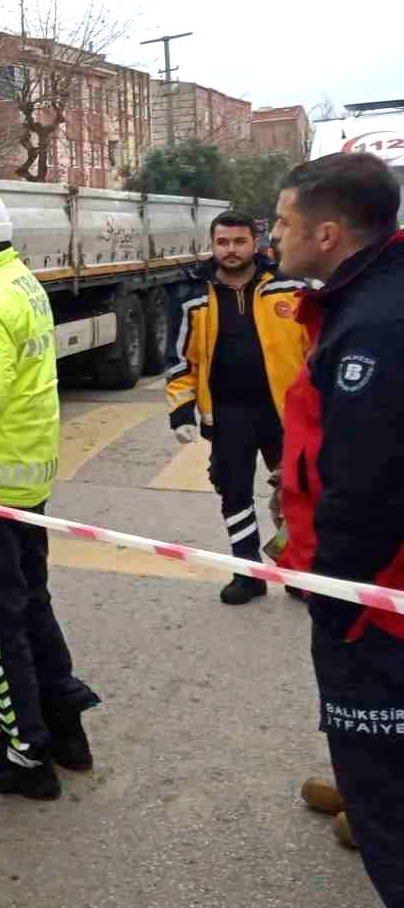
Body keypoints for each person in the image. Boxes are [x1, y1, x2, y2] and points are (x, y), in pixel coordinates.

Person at [0, 185, 100, 800]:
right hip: (28, 479)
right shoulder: (21, 283)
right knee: (32, 605)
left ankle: (25, 757)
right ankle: (65, 730)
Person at [269, 151, 404, 907]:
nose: (271, 237)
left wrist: (338, 600)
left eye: (282, 224)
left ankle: (371, 789)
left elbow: (368, 487)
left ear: (326, 234)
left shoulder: (378, 325)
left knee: (386, 793)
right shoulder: (368, 296)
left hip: (376, 598)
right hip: (375, 588)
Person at [166, 211, 306, 603]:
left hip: (286, 415)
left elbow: (316, 350)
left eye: (238, 241)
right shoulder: (193, 296)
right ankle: (248, 573)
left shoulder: (290, 288)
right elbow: (180, 362)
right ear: (213, 245)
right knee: (234, 494)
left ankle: (297, 572)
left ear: (256, 243)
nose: (230, 250)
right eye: (222, 242)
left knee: (297, 496)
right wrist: (181, 411)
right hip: (228, 417)